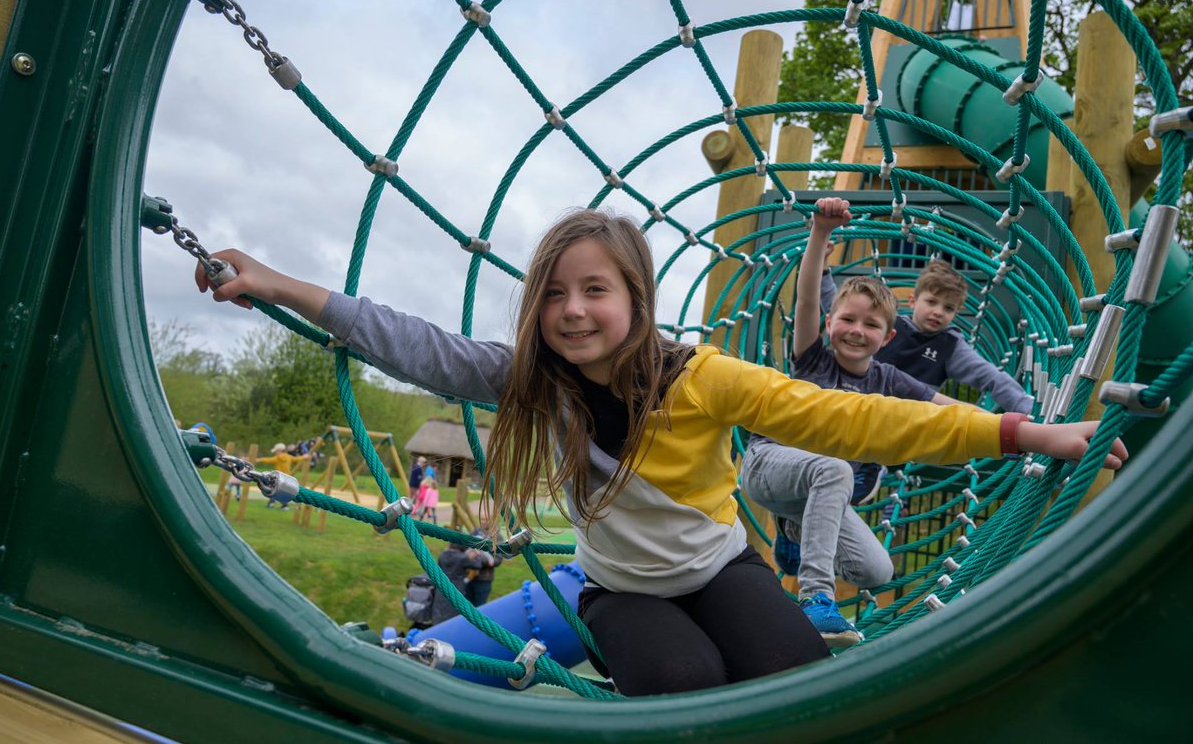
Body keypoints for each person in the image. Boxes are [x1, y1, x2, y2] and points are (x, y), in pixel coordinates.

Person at [196, 208, 1126, 696]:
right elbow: (416, 344)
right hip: (619, 589)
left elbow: (856, 421)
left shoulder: (703, 377)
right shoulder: (537, 380)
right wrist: (278, 283)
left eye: (594, 289)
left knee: (794, 675)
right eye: (553, 293)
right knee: (684, 685)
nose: (572, 310)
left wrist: (1024, 431)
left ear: (636, 298)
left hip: (720, 564)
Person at [741, 198, 964, 645]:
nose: (857, 330)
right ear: (830, 322)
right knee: (836, 468)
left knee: (876, 571)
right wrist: (821, 232)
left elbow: (949, 409)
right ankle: (817, 600)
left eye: (871, 324)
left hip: (817, 490)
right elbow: (806, 296)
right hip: (769, 465)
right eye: (847, 319)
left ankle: (794, 530)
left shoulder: (887, 379)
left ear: (888, 336)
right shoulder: (813, 359)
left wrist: (1020, 431)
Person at [822, 259, 1035, 415]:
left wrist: (1027, 410)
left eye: (948, 308)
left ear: (955, 313)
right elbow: (838, 307)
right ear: (913, 301)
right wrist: (822, 271)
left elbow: (990, 376)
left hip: (910, 420)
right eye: (931, 302)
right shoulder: (889, 325)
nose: (938, 312)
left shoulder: (950, 346)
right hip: (863, 403)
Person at [255, 442, 309, 510]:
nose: (275, 453)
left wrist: (259, 460)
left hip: (278, 478)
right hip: (287, 478)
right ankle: (272, 503)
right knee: (278, 491)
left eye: (276, 451)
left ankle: (283, 505)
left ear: (279, 451)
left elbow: (268, 460)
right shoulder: (289, 457)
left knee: (276, 491)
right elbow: (296, 459)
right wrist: (304, 457)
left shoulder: (277, 458)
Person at [464, 530, 504, 607]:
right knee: (466, 606)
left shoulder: (496, 537)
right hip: (468, 577)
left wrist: (477, 559)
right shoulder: (475, 532)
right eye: (482, 521)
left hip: (483, 579)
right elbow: (465, 550)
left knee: (480, 607)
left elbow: (497, 560)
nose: (483, 523)